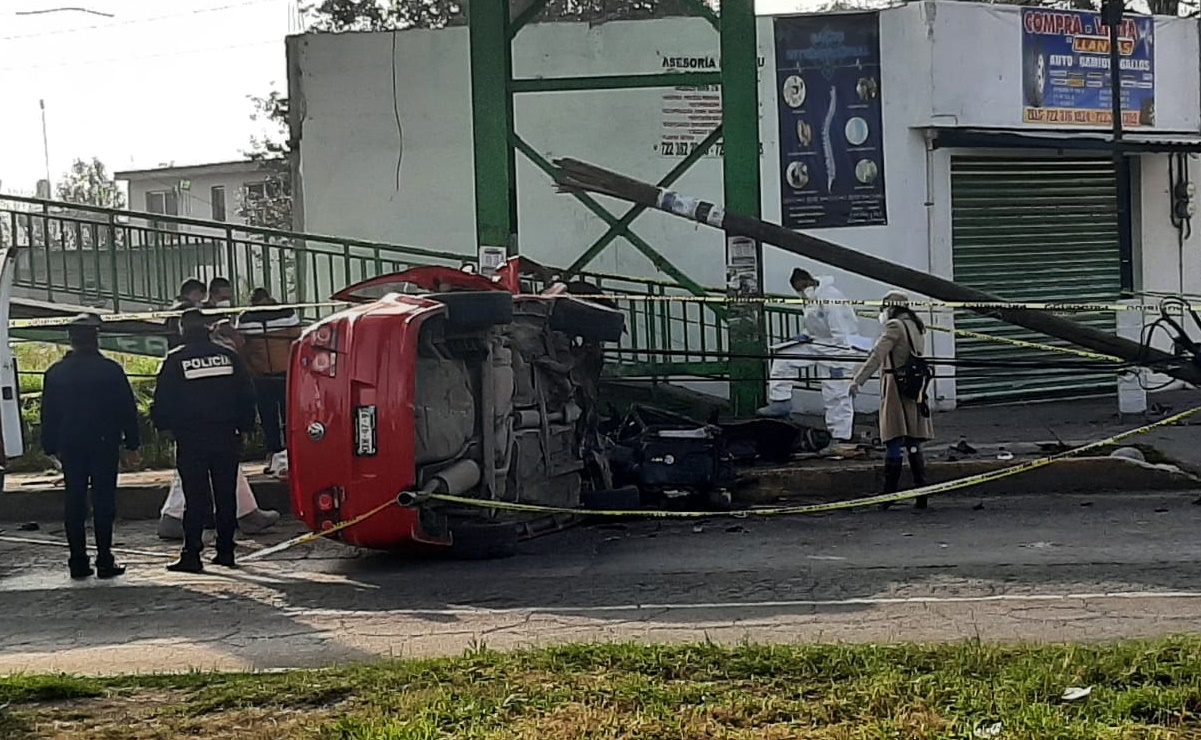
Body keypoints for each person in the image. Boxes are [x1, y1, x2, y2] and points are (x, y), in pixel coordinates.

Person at [153, 308, 257, 573]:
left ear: (181, 330)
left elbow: (163, 402)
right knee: (225, 496)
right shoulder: (229, 357)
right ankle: (225, 550)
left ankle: (192, 554)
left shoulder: (175, 360)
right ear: (209, 329)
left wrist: (167, 429)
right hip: (226, 436)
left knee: (195, 497)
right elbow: (246, 395)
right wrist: (244, 428)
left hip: (192, 439)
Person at [40, 313, 141, 579]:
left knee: (74, 500)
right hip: (104, 442)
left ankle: (77, 561)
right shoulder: (110, 369)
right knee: (104, 500)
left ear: (70, 339)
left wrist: (50, 446)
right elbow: (127, 410)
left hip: (70, 444)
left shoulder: (55, 372)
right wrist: (133, 443)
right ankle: (105, 559)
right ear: (96, 338)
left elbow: (48, 413)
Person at [757, 268, 871, 449]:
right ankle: (780, 402)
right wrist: (804, 335)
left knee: (836, 393)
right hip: (818, 342)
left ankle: (840, 436)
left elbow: (842, 332)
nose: (801, 292)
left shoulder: (830, 297)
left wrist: (838, 361)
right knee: (784, 356)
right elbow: (814, 324)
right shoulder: (811, 298)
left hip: (841, 347)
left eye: (802, 287)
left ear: (809, 281)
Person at [850, 291, 935, 510]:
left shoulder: (894, 326)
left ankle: (888, 495)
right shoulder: (916, 325)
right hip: (914, 387)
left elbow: (877, 356)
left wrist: (858, 380)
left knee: (893, 439)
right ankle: (921, 491)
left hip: (895, 385)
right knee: (913, 441)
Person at [236, 288, 301, 467]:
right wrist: (251, 369)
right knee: (269, 416)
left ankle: (290, 451)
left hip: (281, 373)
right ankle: (275, 451)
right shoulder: (245, 318)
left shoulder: (284, 314)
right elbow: (242, 347)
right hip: (263, 375)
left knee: (286, 415)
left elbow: (296, 341)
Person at [165, 278, 206, 351]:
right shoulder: (188, 308)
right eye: (200, 299)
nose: (201, 302)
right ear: (195, 293)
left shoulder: (175, 307)